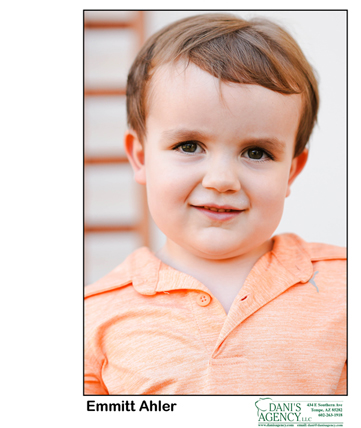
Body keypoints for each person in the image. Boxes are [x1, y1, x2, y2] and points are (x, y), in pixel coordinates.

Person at [85, 13, 346, 395]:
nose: (221, 180)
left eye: (256, 152)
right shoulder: (93, 316)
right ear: (140, 157)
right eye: (189, 146)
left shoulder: (346, 287)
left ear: (291, 170)